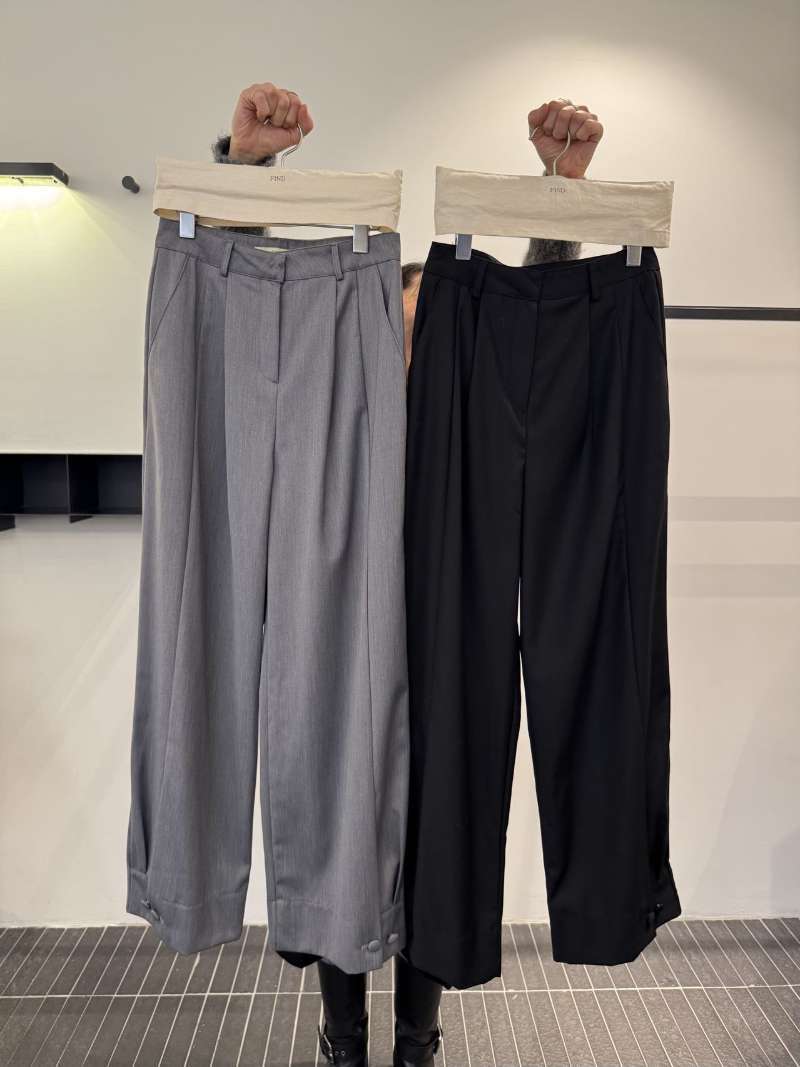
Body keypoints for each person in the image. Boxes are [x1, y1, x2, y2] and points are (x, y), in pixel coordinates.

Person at [207, 82, 602, 1067]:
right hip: (338, 633)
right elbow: (246, 318)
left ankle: (417, 1038)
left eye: (430, 333)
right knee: (337, 826)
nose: (410, 352)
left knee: (438, 834)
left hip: (444, 636)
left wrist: (555, 205)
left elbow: (537, 346)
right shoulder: (330, 415)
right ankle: (344, 1038)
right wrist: (246, 172)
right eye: (396, 328)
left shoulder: (474, 425)